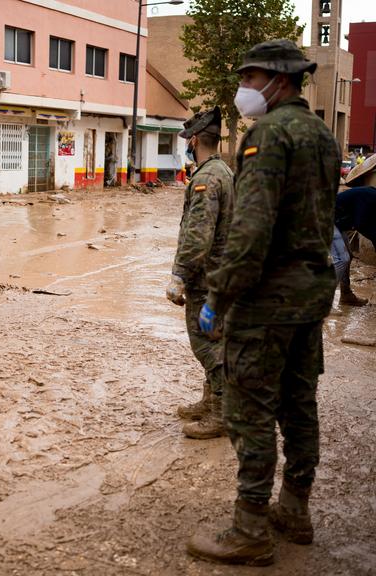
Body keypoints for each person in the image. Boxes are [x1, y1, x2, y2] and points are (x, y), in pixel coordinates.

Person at [188, 39, 340, 566]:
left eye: (249, 79)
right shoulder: (323, 134)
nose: (243, 90)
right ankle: (295, 509)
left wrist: (219, 295)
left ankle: (250, 527)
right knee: (300, 405)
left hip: (267, 300)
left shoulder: (267, 136)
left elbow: (251, 232)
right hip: (311, 293)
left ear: (278, 81)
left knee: (249, 409)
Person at [166, 107, 234, 440]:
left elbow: (198, 235)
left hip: (207, 279)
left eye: (187, 142)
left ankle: (221, 414)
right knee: (213, 339)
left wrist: (179, 276)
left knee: (206, 345)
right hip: (221, 275)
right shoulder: (222, 170)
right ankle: (211, 403)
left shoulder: (206, 178)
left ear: (194, 141)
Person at [334, 186, 376, 306]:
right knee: (342, 259)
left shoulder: (372, 195)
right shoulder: (370, 197)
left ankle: (346, 295)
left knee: (347, 257)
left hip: (337, 223)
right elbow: (361, 223)